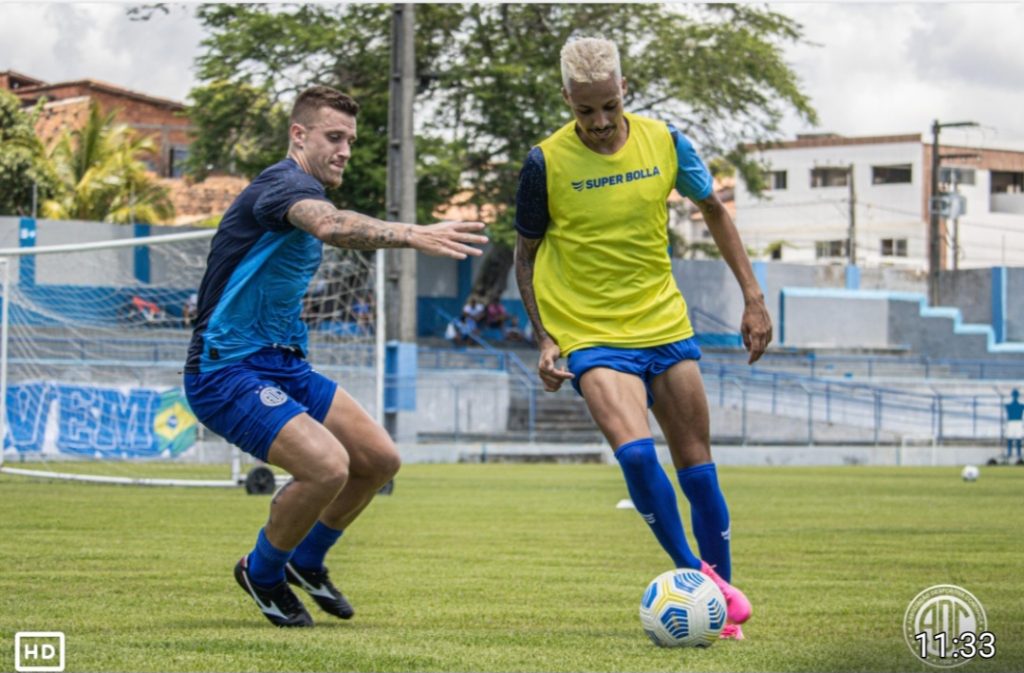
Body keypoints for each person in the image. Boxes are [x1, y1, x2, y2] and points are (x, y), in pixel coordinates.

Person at [183, 85, 486, 628]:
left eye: (350, 139)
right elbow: (331, 225)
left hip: (282, 363)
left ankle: (307, 559)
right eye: (333, 137)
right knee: (327, 466)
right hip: (224, 372)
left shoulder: (304, 189)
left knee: (378, 461)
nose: (345, 149)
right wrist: (412, 233)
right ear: (299, 135)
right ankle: (263, 570)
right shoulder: (283, 185)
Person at [514, 38, 771, 641]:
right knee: (633, 452)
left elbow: (715, 209)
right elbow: (525, 257)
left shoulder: (667, 141)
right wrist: (546, 338)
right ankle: (701, 579)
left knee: (699, 472)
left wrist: (753, 297)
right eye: (586, 112)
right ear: (567, 101)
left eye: (608, 106)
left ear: (623, 90)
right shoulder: (543, 163)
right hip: (590, 331)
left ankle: (721, 622)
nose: (600, 124)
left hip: (662, 323)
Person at [1006, 388, 1023, 463]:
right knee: (1010, 438)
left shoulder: (1021, 405)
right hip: (1011, 422)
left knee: (1018, 439)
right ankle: (1009, 452)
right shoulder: (1008, 405)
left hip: (1018, 422)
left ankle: (1018, 453)